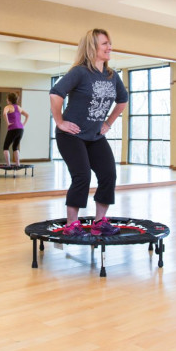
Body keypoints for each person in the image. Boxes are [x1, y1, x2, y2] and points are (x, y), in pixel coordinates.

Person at [50, 28, 128, 236]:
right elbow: (56, 94)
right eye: (104, 44)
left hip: (95, 136)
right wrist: (60, 122)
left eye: (109, 43)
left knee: (109, 173)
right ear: (92, 47)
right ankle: (71, 224)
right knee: (82, 175)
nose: (109, 47)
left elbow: (123, 100)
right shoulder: (80, 72)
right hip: (71, 135)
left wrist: (108, 123)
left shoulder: (112, 76)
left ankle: (100, 222)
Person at [2, 92, 29, 165]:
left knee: (5, 147)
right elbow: (27, 115)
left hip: (13, 128)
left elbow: (4, 114)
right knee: (15, 147)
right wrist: (23, 124)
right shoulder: (18, 107)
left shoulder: (7, 107)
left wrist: (7, 123)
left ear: (9, 100)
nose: (6, 100)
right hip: (20, 129)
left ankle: (8, 165)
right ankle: (18, 164)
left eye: (7, 98)